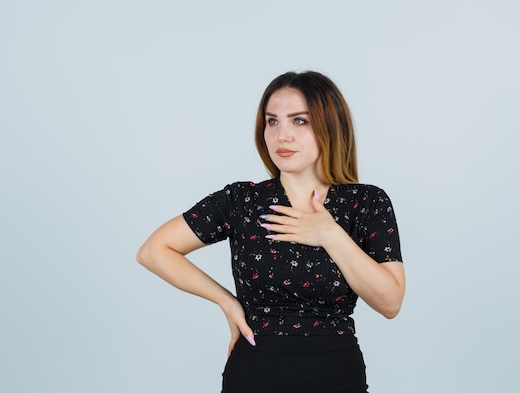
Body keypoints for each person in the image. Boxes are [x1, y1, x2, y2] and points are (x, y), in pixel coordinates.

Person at [136, 71, 405, 393]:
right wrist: (227, 301)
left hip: (338, 374)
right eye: (272, 122)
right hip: (254, 372)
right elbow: (154, 251)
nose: (282, 136)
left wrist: (330, 234)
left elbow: (390, 303)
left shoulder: (366, 202)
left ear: (331, 126)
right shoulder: (242, 200)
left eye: (299, 121)